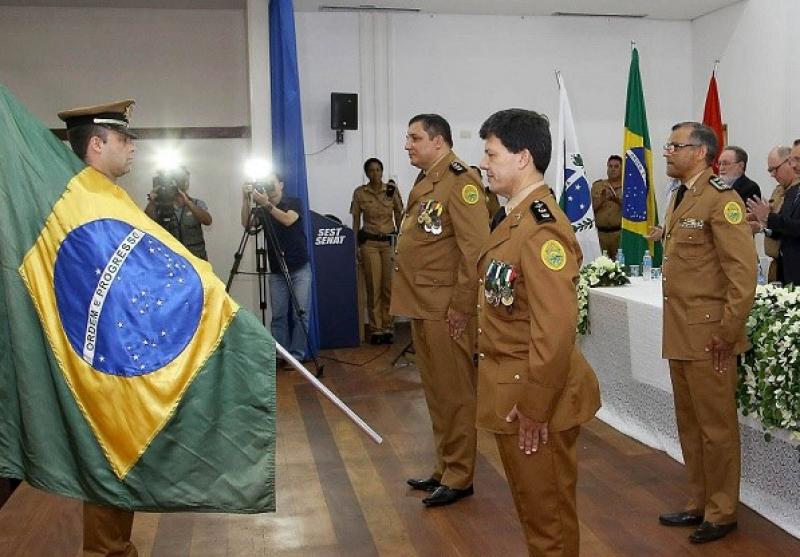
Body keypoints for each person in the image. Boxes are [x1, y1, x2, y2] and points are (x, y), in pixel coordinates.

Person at [476, 108, 601, 556]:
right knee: (537, 511)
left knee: (547, 520)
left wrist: (534, 407)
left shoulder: (541, 227)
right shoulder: (514, 217)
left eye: (491, 154)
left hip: (533, 399)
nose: (484, 164)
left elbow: (556, 328)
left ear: (523, 157)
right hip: (513, 388)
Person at [658, 122, 756, 544]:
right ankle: (698, 500)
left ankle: (722, 511)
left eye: (674, 146)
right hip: (681, 331)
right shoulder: (681, 197)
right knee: (690, 423)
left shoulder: (722, 199)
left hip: (710, 336)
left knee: (716, 428)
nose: (667, 152)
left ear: (699, 152)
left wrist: (729, 330)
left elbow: (743, 271)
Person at [391, 114, 489, 507]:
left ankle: (461, 475)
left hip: (447, 307)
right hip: (423, 304)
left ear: (438, 140)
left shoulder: (462, 181)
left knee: (456, 393)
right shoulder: (428, 179)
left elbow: (475, 251)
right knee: (436, 392)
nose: (408, 144)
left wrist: (462, 307)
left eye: (414, 137)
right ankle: (445, 465)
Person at [58, 99, 139, 556]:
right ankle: (108, 550)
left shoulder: (105, 193)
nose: (132, 147)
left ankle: (116, 547)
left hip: (117, 348)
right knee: (109, 460)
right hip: (98, 351)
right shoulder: (82, 199)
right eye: (124, 139)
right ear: (96, 144)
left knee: (121, 458)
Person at [241, 175, 312, 363]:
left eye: (272, 182)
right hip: (277, 270)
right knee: (278, 316)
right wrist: (246, 199)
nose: (269, 187)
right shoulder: (263, 209)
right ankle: (282, 355)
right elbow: (248, 226)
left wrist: (267, 205)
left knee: (301, 315)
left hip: (299, 267)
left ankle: (297, 356)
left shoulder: (293, 202)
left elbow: (288, 220)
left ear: (281, 184)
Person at [350, 157, 403, 345]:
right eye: (371, 170)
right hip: (370, 245)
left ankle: (389, 326)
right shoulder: (360, 193)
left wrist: (400, 242)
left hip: (389, 244)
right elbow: (356, 220)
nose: (375, 174)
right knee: (373, 287)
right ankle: (376, 329)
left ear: (382, 171)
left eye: (378, 170)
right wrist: (354, 246)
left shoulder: (391, 190)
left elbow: (399, 215)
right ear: (366, 173)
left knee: (389, 287)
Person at [746, 144, 800, 285]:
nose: (793, 165)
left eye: (797, 160)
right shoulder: (792, 191)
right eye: (792, 161)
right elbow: (784, 230)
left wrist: (768, 217)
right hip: (788, 270)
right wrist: (762, 226)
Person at [144, 166, 212, 260]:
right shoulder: (160, 206)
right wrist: (152, 202)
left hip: (196, 259)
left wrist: (188, 203)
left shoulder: (196, 203)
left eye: (184, 180)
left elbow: (207, 221)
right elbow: (145, 223)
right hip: (170, 259)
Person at [590, 155, 623, 258]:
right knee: (601, 267)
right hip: (600, 235)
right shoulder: (597, 186)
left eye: (616, 166)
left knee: (619, 267)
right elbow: (589, 211)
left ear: (622, 168)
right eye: (610, 166)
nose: (613, 169)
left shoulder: (627, 187)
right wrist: (601, 200)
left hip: (619, 234)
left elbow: (632, 212)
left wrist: (616, 199)